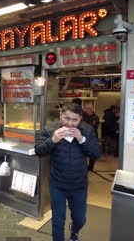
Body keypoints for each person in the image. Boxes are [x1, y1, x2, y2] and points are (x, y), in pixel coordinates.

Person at [35, 103, 101, 241]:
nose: (70, 124)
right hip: (57, 184)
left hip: (79, 185)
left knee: (80, 219)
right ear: (60, 116)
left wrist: (82, 139)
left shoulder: (87, 130)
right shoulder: (50, 128)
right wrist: (52, 140)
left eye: (74, 120)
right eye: (66, 118)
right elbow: (39, 151)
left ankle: (75, 231)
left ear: (80, 119)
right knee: (58, 221)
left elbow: (96, 155)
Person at [83, 104, 100, 171]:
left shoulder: (96, 117)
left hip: (92, 136)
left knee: (92, 151)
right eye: (85, 108)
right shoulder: (83, 117)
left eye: (88, 108)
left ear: (92, 109)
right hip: (85, 136)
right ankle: (84, 165)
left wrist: (86, 124)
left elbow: (92, 126)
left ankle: (91, 167)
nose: (86, 110)